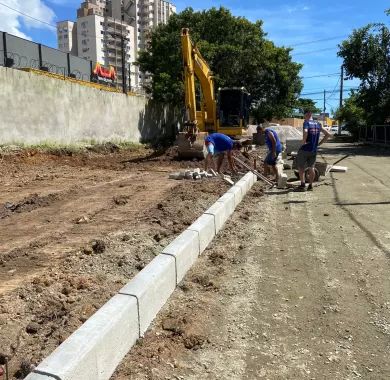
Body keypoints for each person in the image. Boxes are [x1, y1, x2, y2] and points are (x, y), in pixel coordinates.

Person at [296, 110, 331, 191]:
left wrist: (303, 142)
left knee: (301, 167)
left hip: (305, 149)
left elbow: (305, 131)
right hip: (313, 150)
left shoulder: (306, 122)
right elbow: (328, 134)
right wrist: (319, 143)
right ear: (311, 114)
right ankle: (310, 185)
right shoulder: (318, 124)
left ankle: (302, 184)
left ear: (306, 115)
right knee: (311, 167)